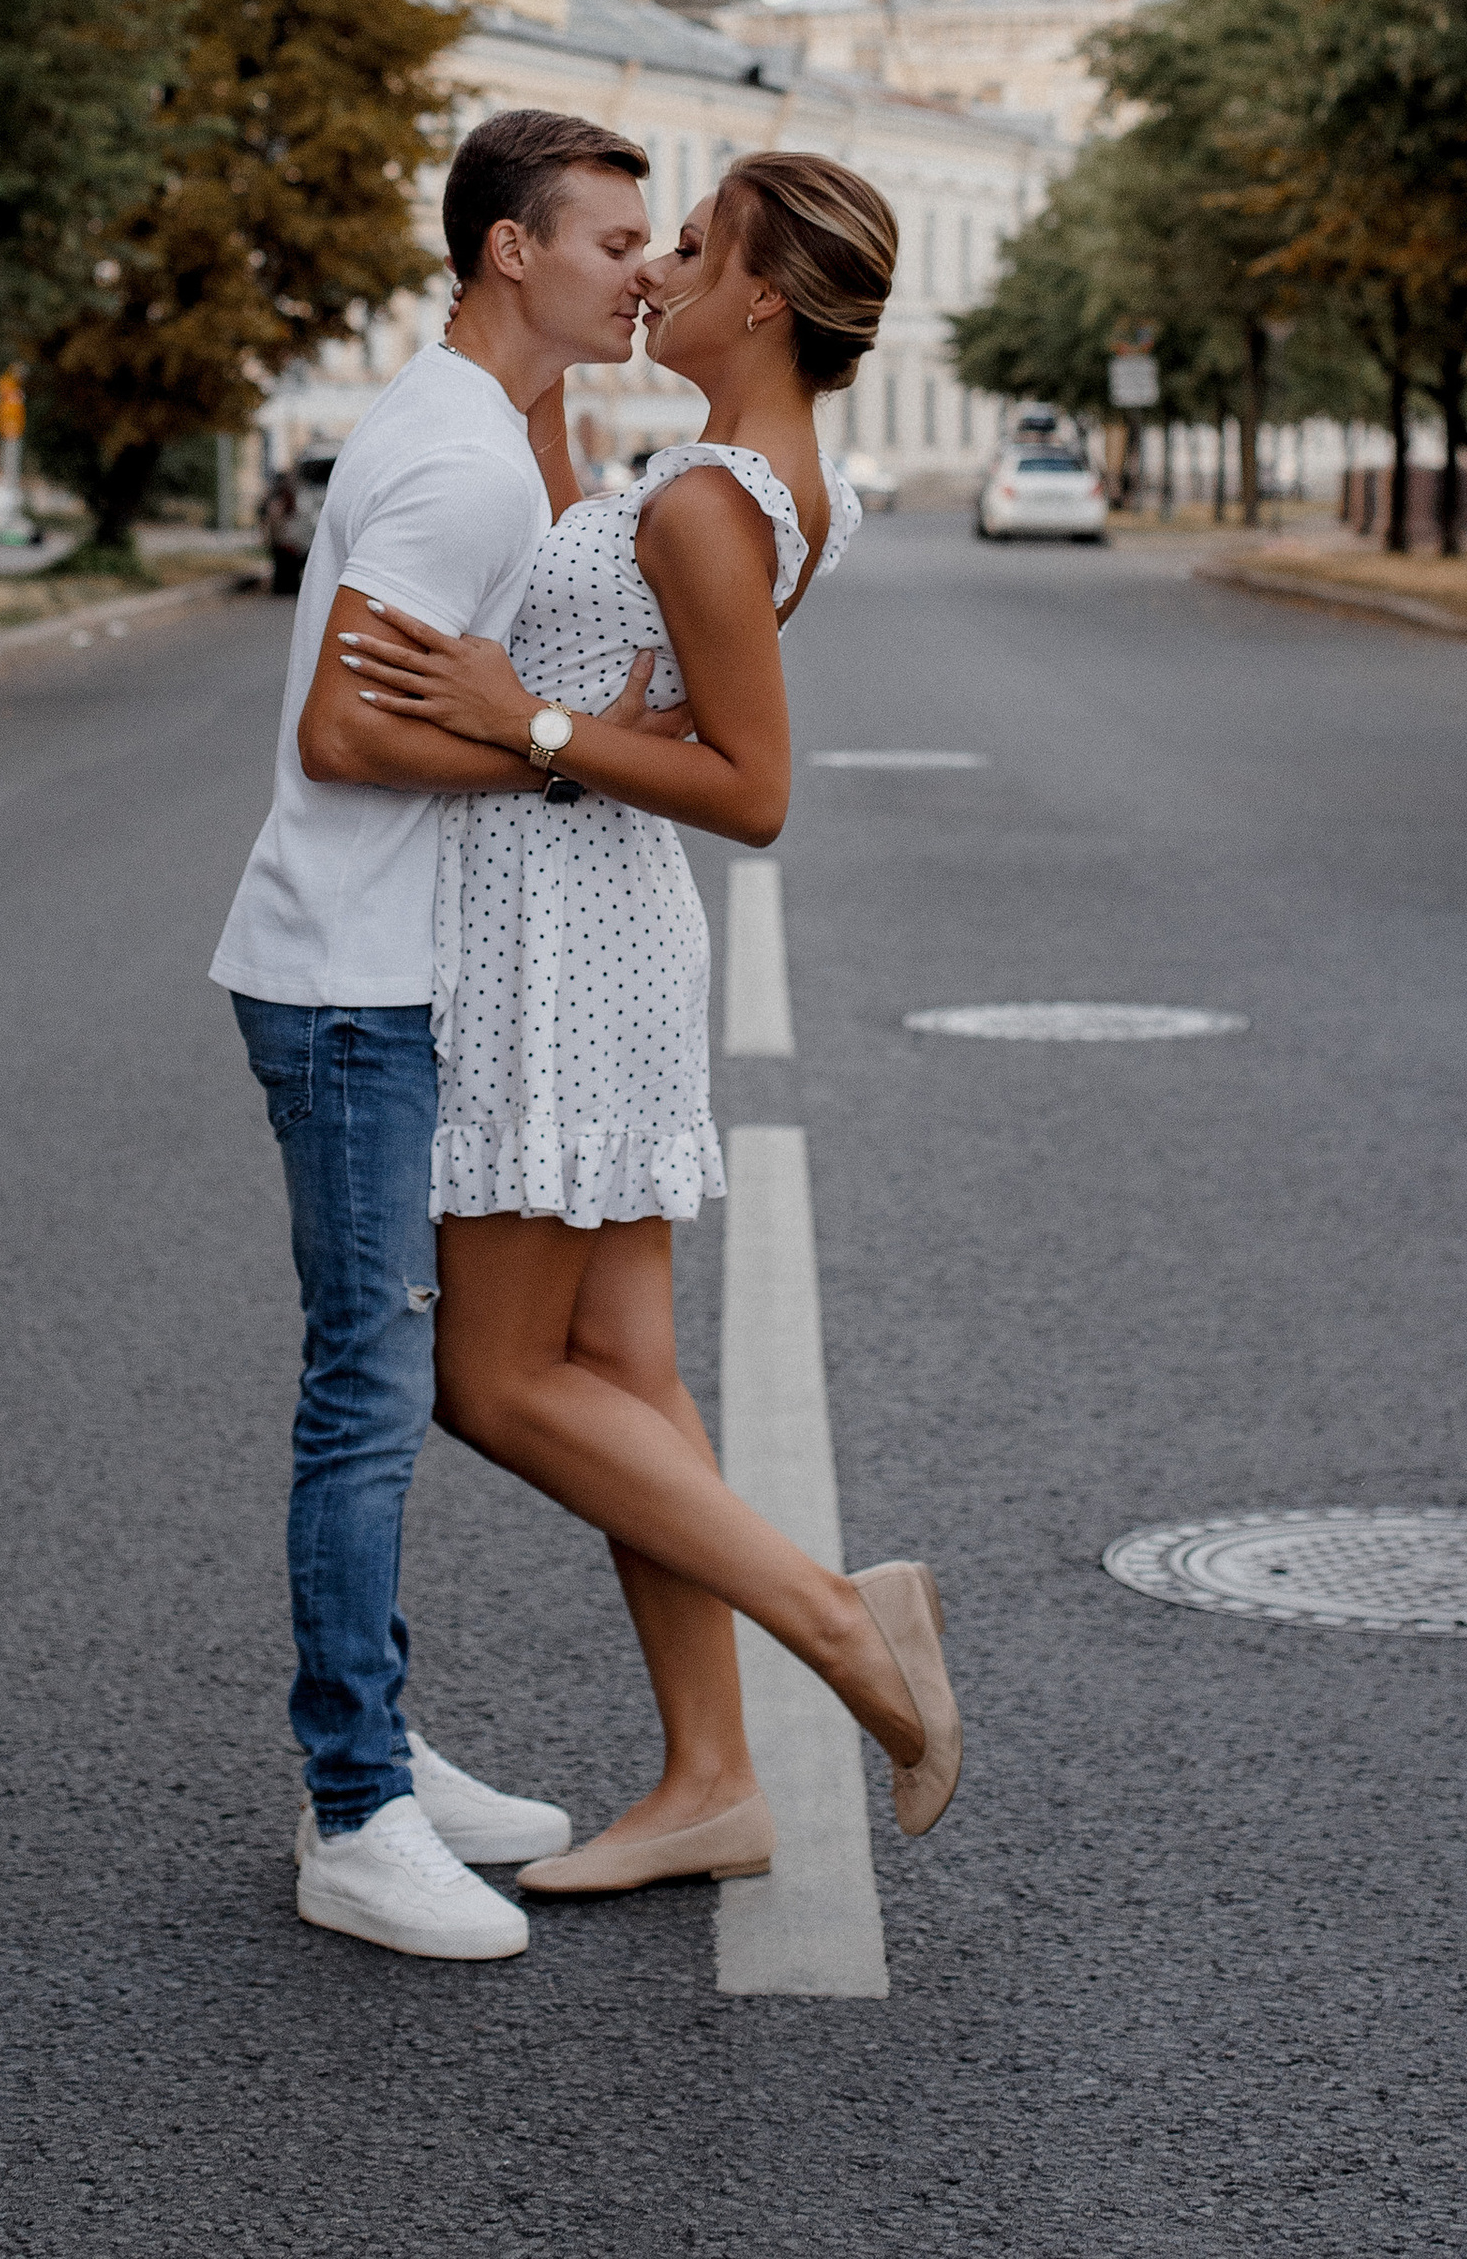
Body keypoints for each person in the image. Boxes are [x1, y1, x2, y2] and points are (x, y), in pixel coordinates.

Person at [333, 154, 962, 1898]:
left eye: (689, 248)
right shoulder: (715, 478)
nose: (660, 269)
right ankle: (711, 1781)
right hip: (582, 924)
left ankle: (843, 1625)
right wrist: (526, 331)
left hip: (569, 942)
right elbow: (553, 547)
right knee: (625, 1381)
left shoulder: (707, 503)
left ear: (761, 299)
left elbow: (753, 791)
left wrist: (530, 721)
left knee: (494, 1379)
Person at [213, 104, 689, 1963]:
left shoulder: (475, 424)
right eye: (611, 242)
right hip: (348, 981)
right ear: (512, 249)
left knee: (382, 1385)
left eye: (654, 244)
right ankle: (352, 1808)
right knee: (366, 1395)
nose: (643, 270)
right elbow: (344, 737)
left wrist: (541, 712)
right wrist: (554, 759)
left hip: (375, 971)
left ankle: (376, 1737)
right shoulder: (462, 467)